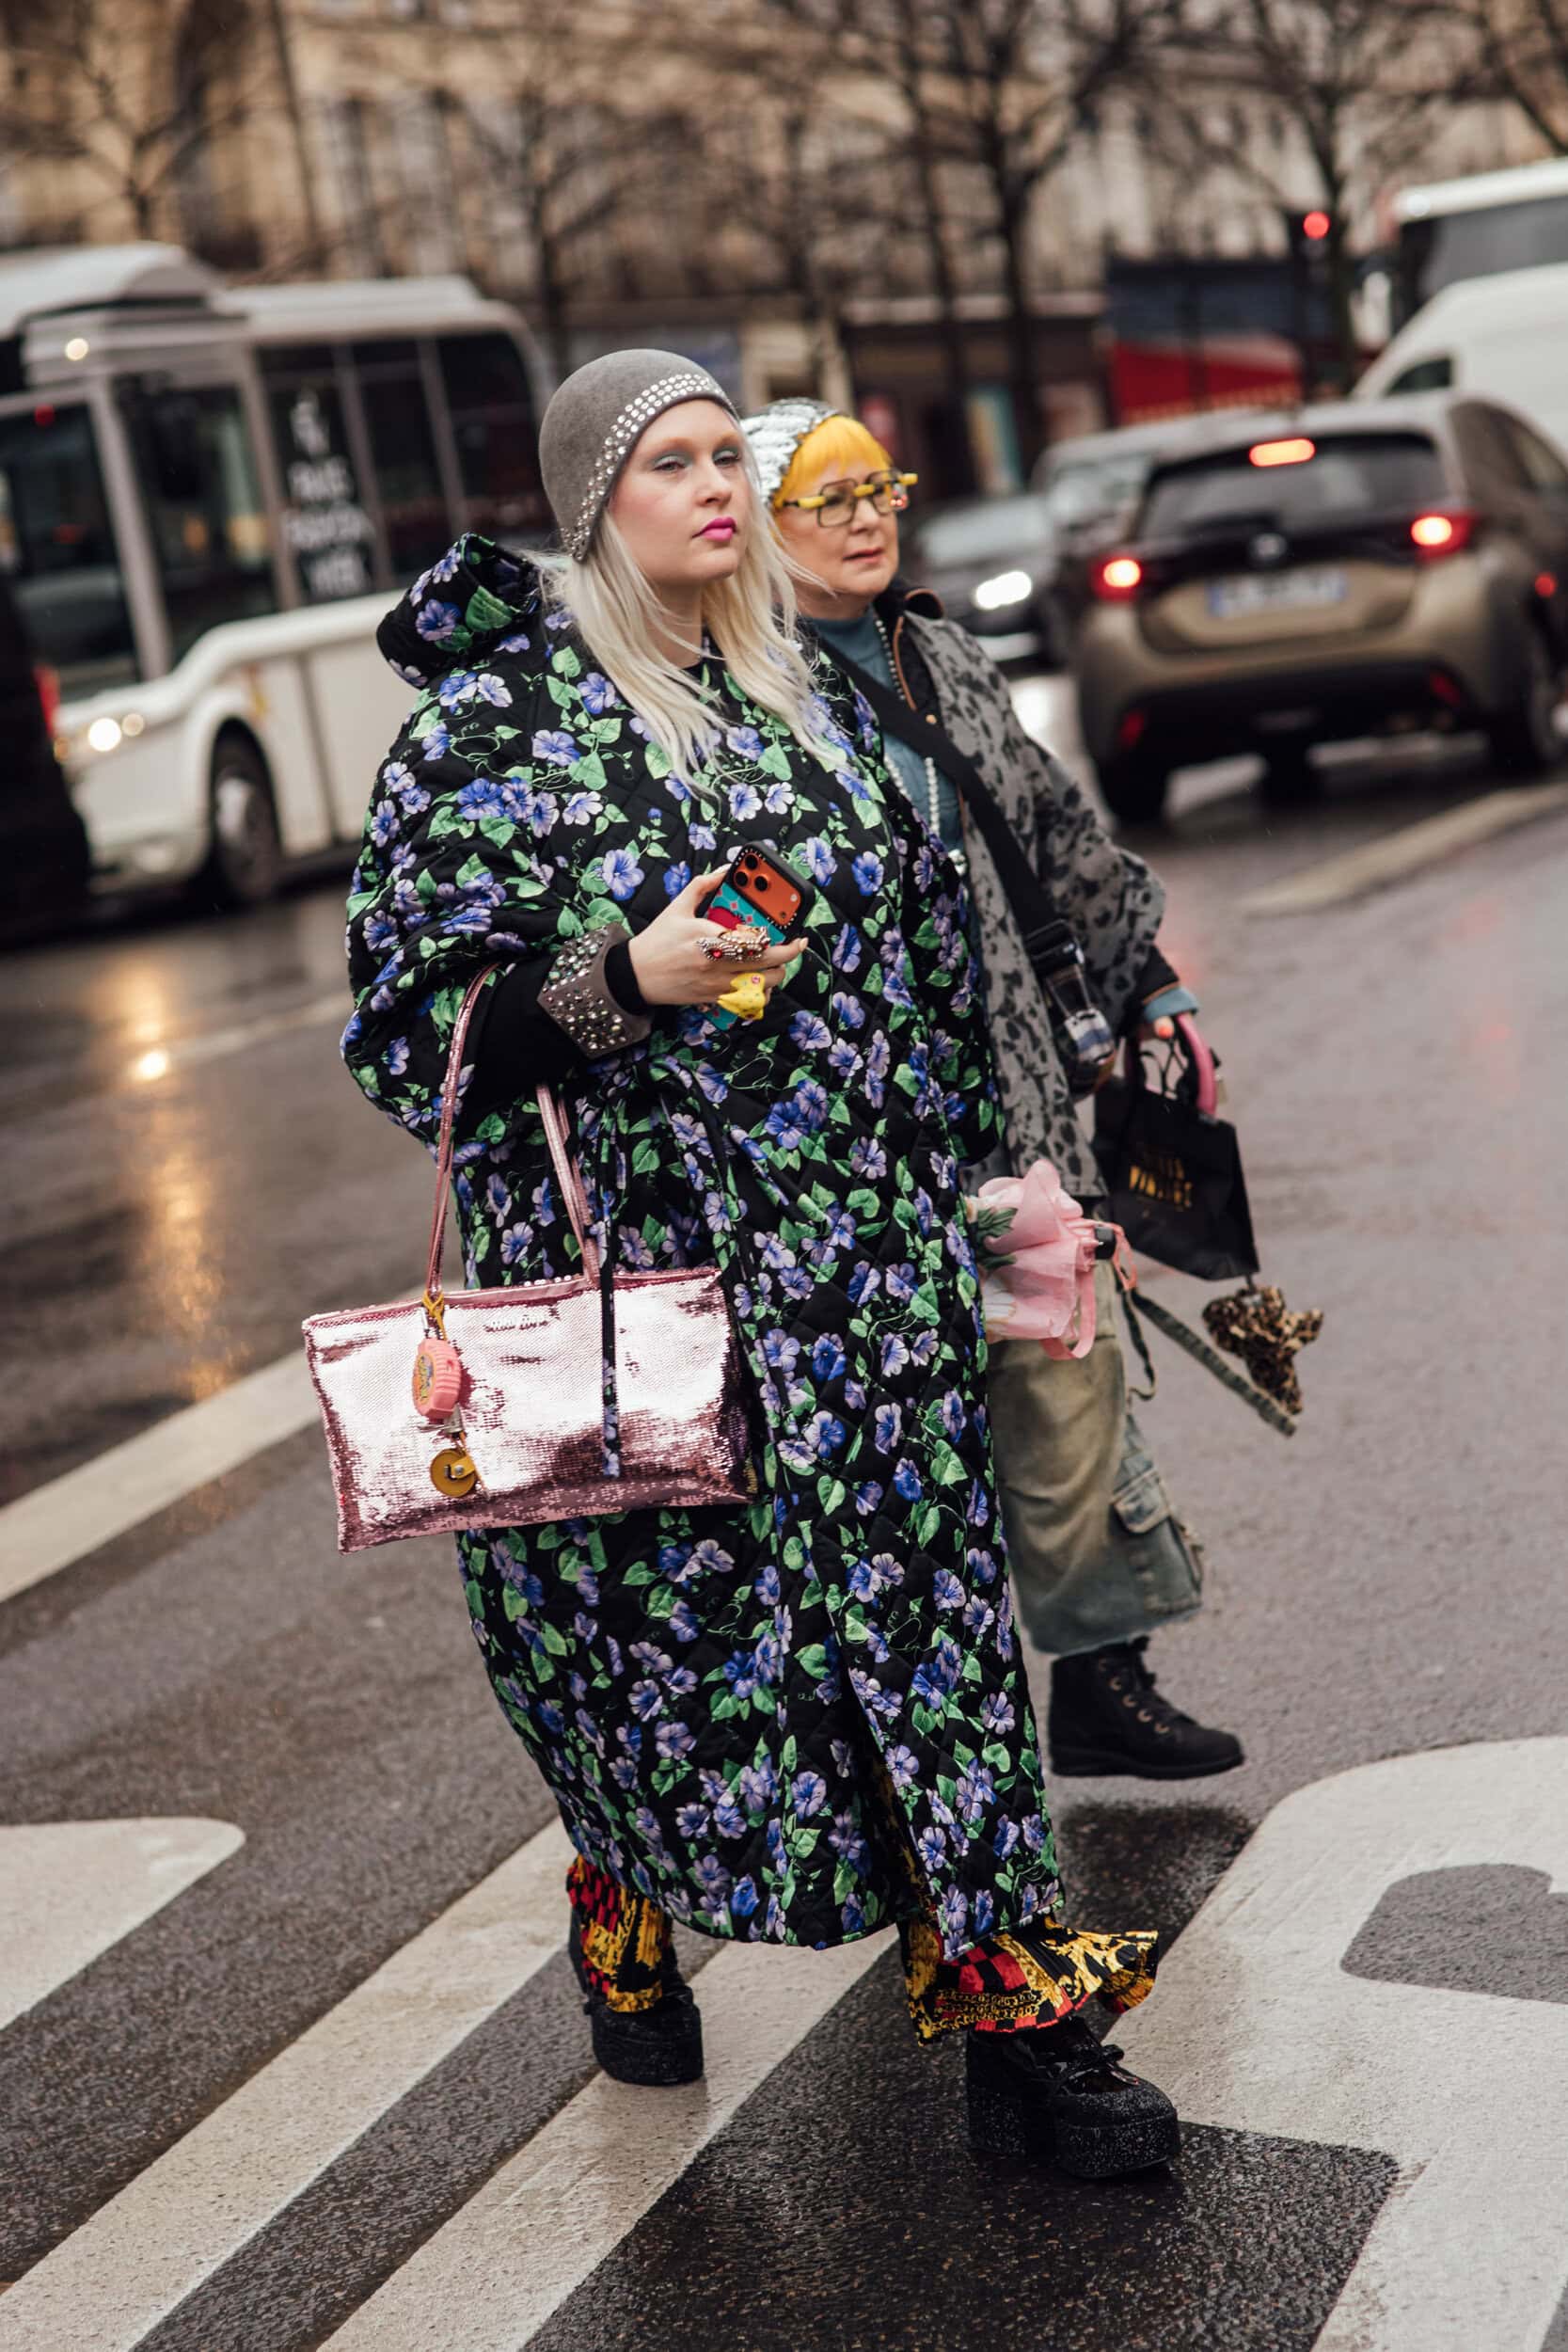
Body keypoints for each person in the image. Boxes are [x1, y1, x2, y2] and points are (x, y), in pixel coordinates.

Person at [344, 348, 1179, 2176]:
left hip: (874, 1285)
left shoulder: (806, 684)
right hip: (671, 1301)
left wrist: (1024, 1191)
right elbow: (419, 1043)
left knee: (941, 1651)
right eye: (672, 463)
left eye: (734, 452)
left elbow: (919, 965)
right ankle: (626, 1888)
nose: (719, 487)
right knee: (690, 1672)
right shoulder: (513, 723)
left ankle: (1023, 2023)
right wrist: (618, 982)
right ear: (591, 507)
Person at [744, 399, 1243, 1783]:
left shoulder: (938, 653)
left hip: (1010, 1111)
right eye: (826, 500)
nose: (864, 520)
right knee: (914, 1461)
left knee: (1067, 1393)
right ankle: (919, 1762)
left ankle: (1100, 1680)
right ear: (759, 531)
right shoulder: (738, 694)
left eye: (878, 490)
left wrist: (1149, 982)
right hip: (863, 1141)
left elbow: (1053, 831)